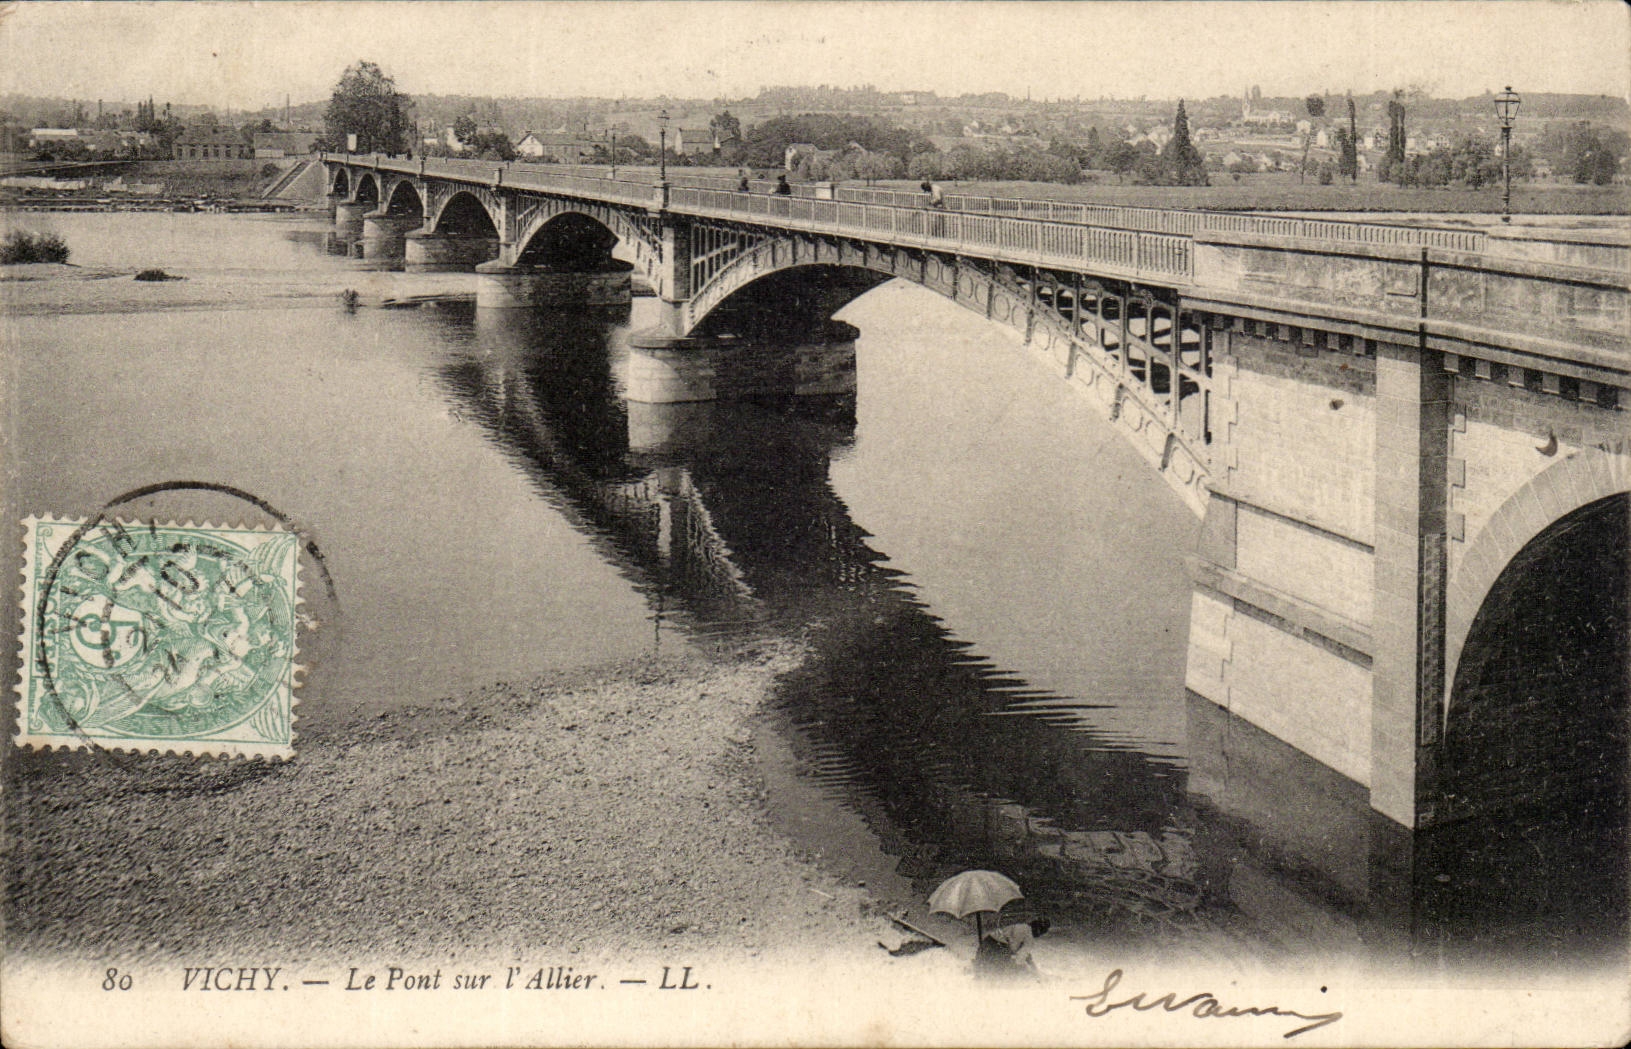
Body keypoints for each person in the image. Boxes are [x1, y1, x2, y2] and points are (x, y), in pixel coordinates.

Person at [974, 918, 1049, 980]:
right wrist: (1032, 971)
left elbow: (1016, 946)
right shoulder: (1029, 938)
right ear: (1039, 931)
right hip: (998, 947)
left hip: (987, 941)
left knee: (983, 969)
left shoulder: (1021, 926)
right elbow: (1019, 958)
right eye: (1041, 933)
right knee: (1004, 971)